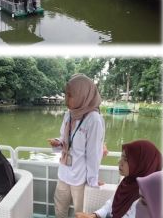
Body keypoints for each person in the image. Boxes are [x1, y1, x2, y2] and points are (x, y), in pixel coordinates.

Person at [48, 74, 105, 218]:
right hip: (64, 172)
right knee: (60, 207)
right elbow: (64, 137)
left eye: (70, 95)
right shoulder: (69, 114)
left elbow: (94, 153)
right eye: (65, 94)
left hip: (80, 177)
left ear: (82, 95)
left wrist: (92, 180)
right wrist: (58, 141)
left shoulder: (93, 119)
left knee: (80, 211)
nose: (66, 99)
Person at [75, 140, 163, 218]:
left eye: (125, 159)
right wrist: (94, 215)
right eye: (121, 157)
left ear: (141, 163)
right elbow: (111, 204)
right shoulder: (126, 181)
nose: (119, 162)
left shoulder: (145, 196)